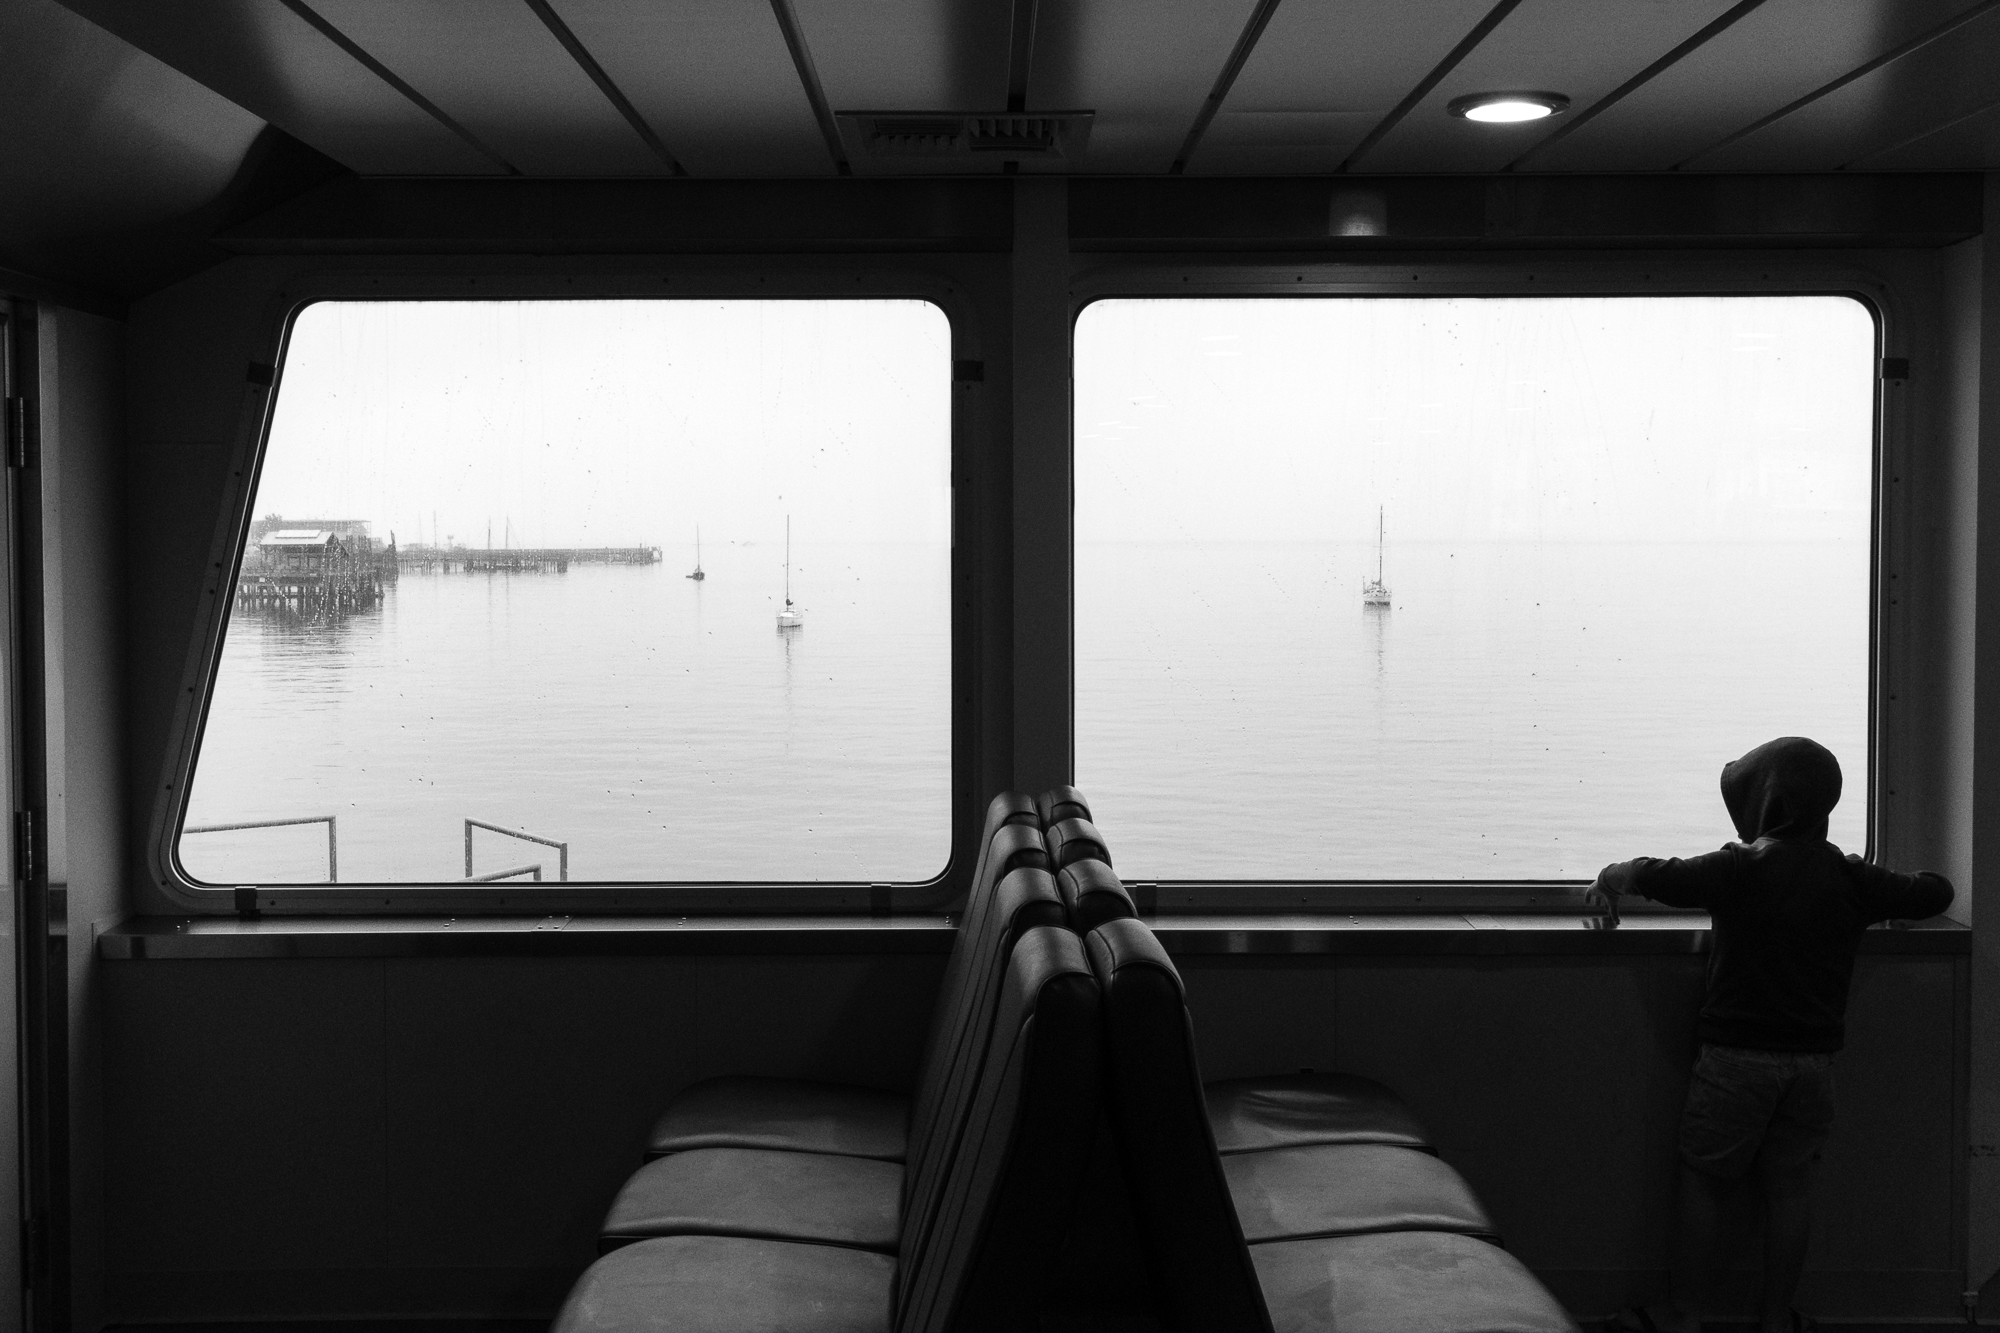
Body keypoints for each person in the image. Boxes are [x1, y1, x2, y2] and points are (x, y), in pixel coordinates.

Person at [1585, 736, 1953, 1333]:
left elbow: (1657, 875)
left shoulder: (1738, 868)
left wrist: (1610, 875)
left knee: (1706, 1181)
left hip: (1734, 1061)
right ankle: (1777, 1318)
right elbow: (1936, 890)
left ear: (1760, 805)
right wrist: (1880, 883)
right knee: (1789, 1189)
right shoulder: (1851, 878)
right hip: (1812, 1064)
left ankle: (1684, 1315)